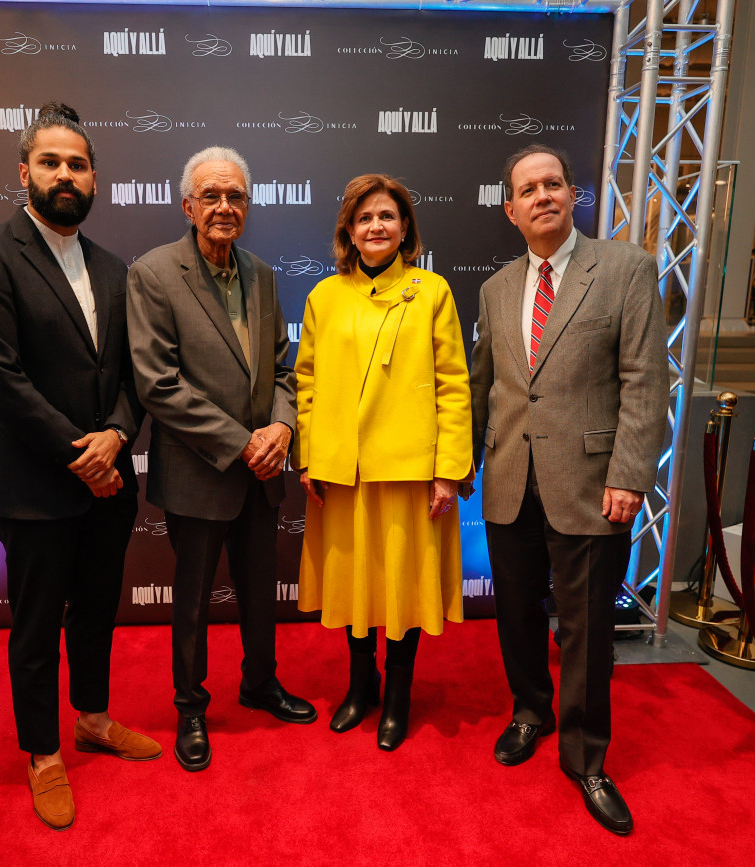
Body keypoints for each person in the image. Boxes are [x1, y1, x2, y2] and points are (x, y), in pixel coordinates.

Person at [0, 102, 158, 832]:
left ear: (94, 178)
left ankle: (93, 720)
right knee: (37, 629)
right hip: (35, 488)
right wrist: (84, 456)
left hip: (109, 482)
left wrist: (118, 437)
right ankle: (42, 753)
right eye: (51, 162)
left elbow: (133, 375)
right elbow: (2, 381)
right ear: (24, 172)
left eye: (78, 164)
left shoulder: (113, 269)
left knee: (97, 612)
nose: (65, 174)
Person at [469, 144, 668, 835]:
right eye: (528, 189)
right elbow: (484, 384)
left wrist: (629, 474)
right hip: (509, 481)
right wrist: (460, 465)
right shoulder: (496, 288)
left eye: (552, 183)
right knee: (517, 612)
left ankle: (586, 757)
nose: (542, 196)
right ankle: (530, 711)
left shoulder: (625, 269)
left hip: (591, 484)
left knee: (585, 630)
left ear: (573, 194)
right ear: (510, 210)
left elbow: (646, 380)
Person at [127, 146, 316, 773]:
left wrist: (282, 428)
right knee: (192, 601)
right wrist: (244, 443)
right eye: (211, 195)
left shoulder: (261, 273)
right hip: (199, 472)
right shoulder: (154, 273)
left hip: (262, 472)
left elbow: (283, 368)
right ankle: (190, 707)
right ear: (188, 206)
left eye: (235, 196)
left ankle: (260, 683)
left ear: (248, 207)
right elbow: (158, 384)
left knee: (260, 591)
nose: (224, 207)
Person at [294, 174, 473, 751]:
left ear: (404, 229)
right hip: (342, 471)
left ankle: (398, 695)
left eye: (387, 216)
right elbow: (306, 384)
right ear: (349, 230)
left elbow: (454, 386)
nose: (376, 226)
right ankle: (359, 686)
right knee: (354, 585)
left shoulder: (433, 291)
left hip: (409, 471)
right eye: (365, 217)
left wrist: (448, 470)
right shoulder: (324, 296)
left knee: (401, 586)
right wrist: (309, 459)